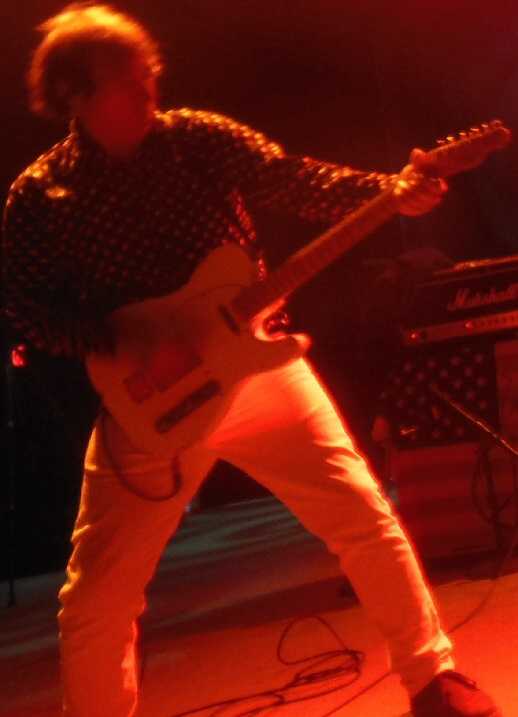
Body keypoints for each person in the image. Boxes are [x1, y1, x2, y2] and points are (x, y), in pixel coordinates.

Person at [2, 4, 502, 717]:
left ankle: (434, 680)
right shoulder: (40, 195)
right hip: (151, 403)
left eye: (150, 75)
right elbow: (27, 308)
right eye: (128, 81)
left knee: (362, 514)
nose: (149, 91)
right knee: (96, 596)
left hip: (259, 370)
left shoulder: (197, 138)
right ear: (75, 94)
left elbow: (293, 178)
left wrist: (393, 193)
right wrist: (127, 344)